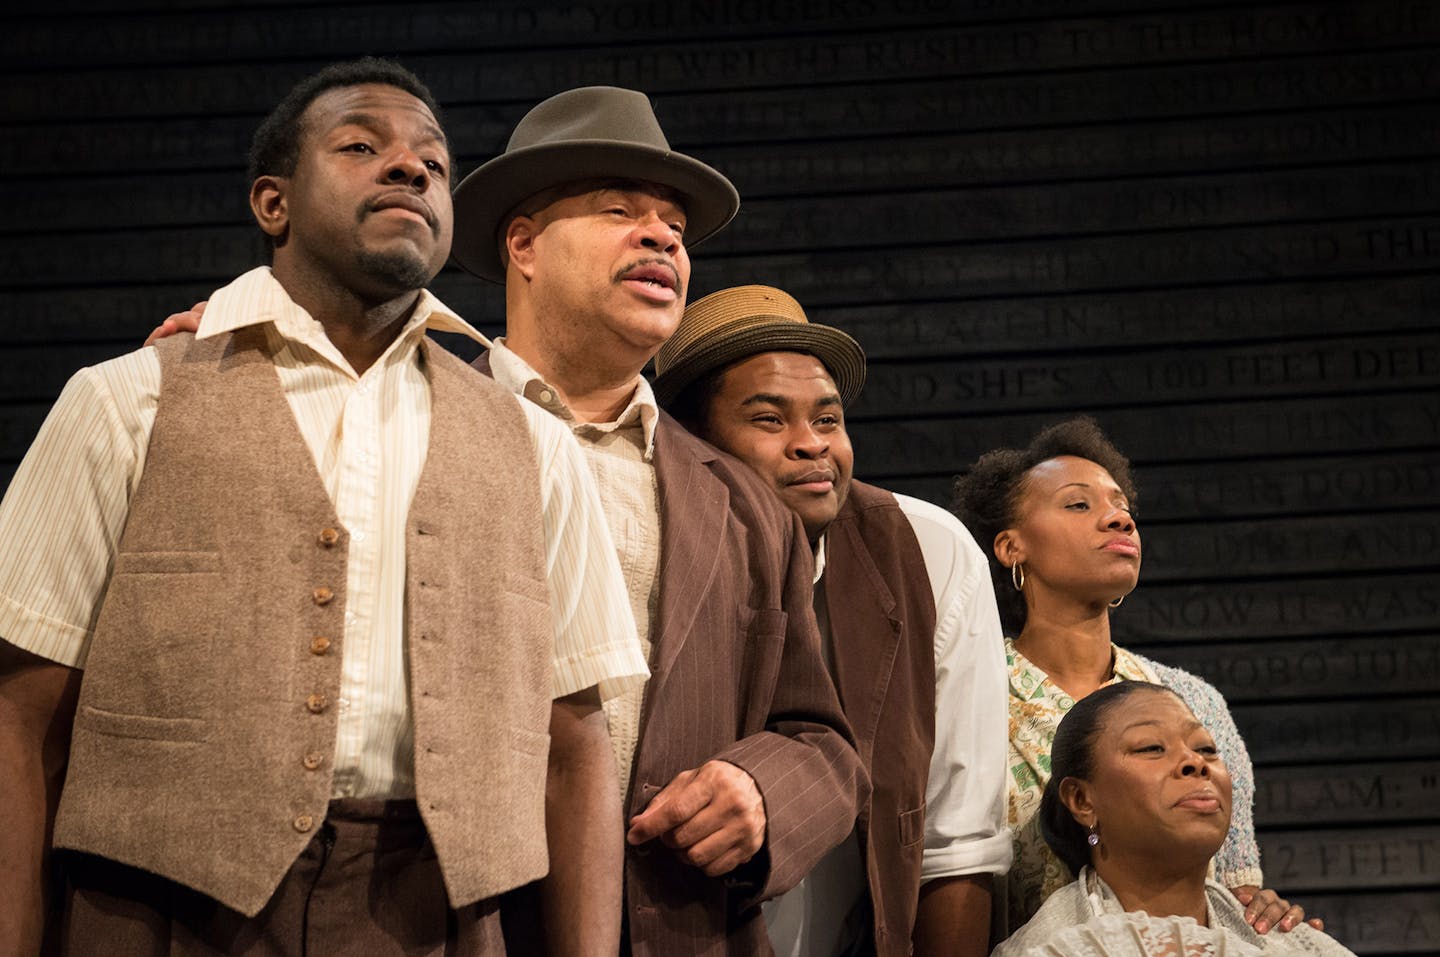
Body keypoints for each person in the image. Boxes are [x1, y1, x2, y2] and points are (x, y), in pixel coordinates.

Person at [0, 58, 647, 956]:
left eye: (434, 162)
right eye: (360, 145)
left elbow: (575, 742)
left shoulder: (529, 441)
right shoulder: (128, 401)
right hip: (158, 908)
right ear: (275, 203)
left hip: (432, 918)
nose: (411, 168)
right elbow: (19, 716)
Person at [447, 87, 867, 954]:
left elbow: (821, 740)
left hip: (679, 925)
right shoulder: (414, 428)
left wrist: (759, 791)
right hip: (460, 925)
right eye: (618, 210)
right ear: (523, 243)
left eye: (674, 224)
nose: (663, 236)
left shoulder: (741, 500)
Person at [651, 284, 1011, 957]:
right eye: (768, 419)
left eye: (828, 419)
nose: (810, 445)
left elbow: (958, 837)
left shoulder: (925, 548)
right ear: (691, 443)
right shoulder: (644, 548)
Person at [951, 417, 1313, 938]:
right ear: (1011, 547)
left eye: (1122, 507)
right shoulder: (966, 693)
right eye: (1080, 504)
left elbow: (1235, 891)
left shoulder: (1193, 702)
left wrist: (1265, 913)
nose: (1118, 520)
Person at [993, 681, 1355, 956]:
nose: (1195, 762)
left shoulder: (1292, 943)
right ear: (1082, 799)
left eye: (1206, 749)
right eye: (1151, 748)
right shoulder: (1049, 948)